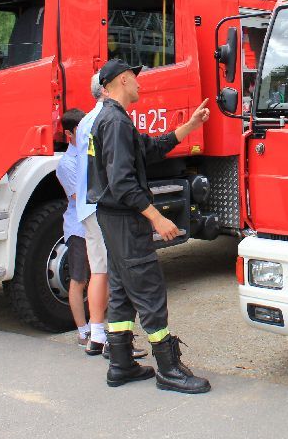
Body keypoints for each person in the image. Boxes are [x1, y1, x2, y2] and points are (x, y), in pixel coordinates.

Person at [87, 58, 212, 392]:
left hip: (113, 220)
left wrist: (190, 126)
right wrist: (158, 218)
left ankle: (121, 364)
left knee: (121, 290)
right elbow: (123, 183)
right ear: (124, 80)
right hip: (125, 221)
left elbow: (152, 149)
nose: (141, 84)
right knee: (149, 290)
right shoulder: (114, 123)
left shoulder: (114, 120)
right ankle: (169, 369)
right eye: (136, 79)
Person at [76, 73, 147, 360]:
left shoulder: (85, 121)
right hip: (104, 206)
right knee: (111, 273)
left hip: (87, 203)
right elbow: (117, 173)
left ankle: (97, 335)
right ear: (109, 89)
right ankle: (110, 341)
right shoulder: (109, 120)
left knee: (99, 270)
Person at [57, 108, 89, 345]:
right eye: (80, 129)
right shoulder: (67, 163)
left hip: (94, 225)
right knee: (79, 279)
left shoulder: (89, 153)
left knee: (102, 276)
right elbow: (80, 197)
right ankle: (83, 330)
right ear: (69, 134)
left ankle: (98, 324)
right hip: (79, 229)